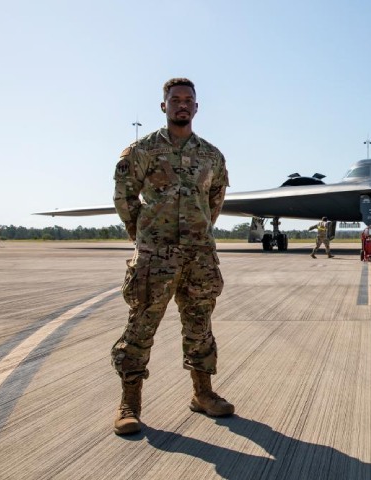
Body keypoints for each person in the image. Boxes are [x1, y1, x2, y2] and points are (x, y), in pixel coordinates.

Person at [111, 78, 234, 436]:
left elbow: (215, 201)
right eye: (175, 100)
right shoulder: (141, 151)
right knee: (140, 328)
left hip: (199, 256)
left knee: (200, 328)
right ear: (163, 106)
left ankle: (203, 394)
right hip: (155, 256)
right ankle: (129, 404)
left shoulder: (212, 156)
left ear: (196, 108)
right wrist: (144, 236)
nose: (182, 105)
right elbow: (125, 198)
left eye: (188, 100)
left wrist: (198, 234)